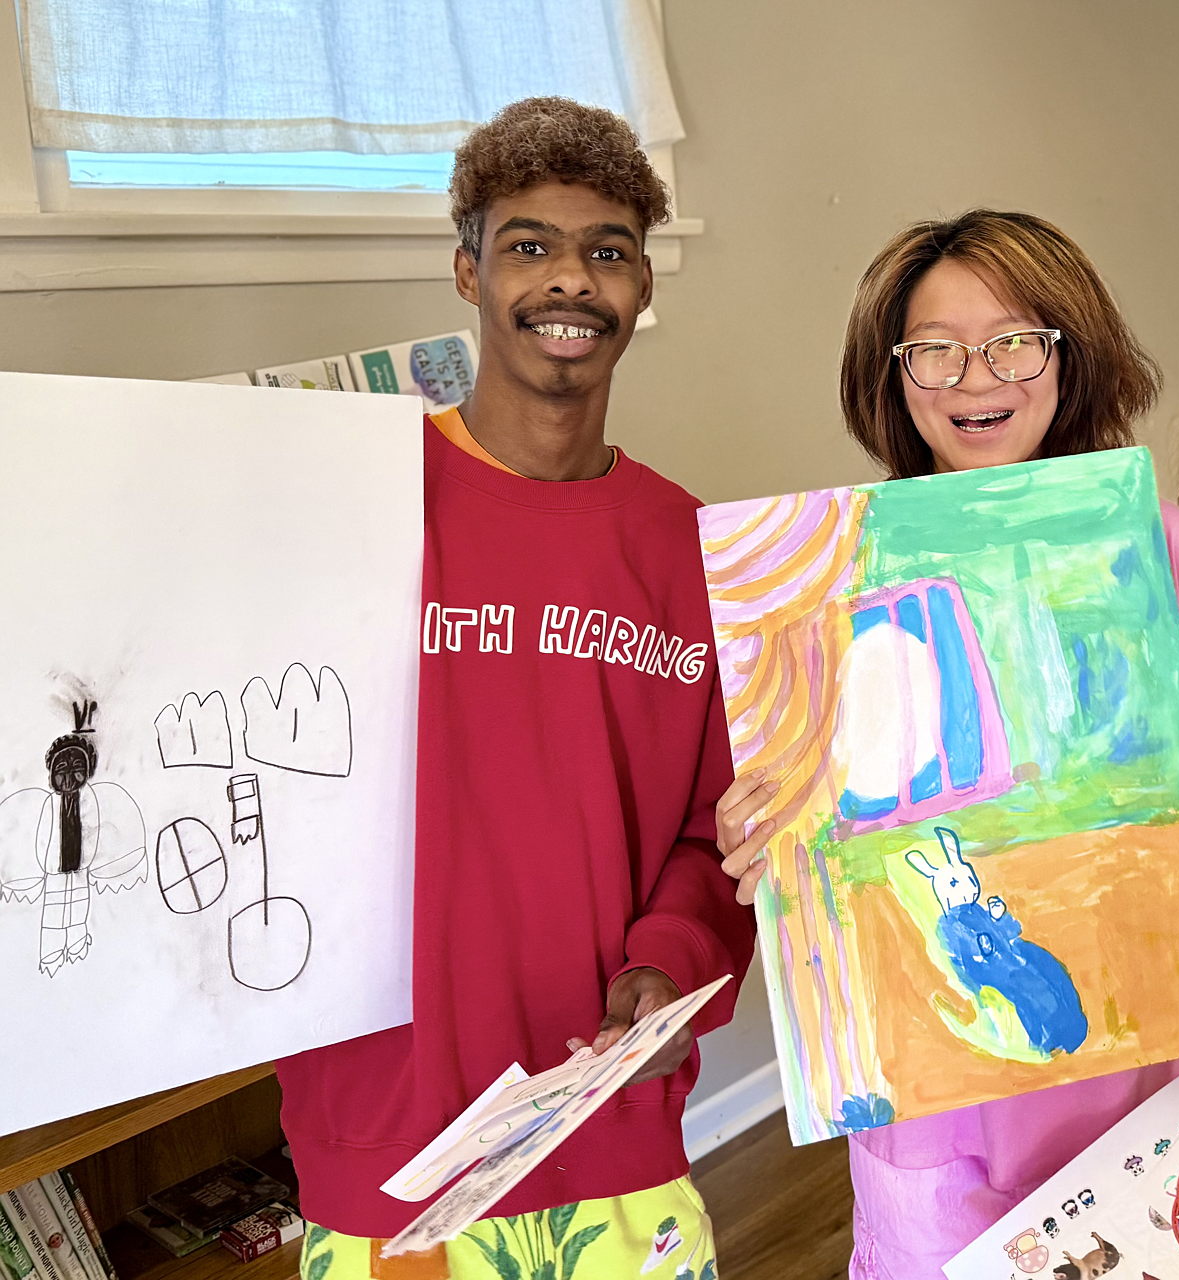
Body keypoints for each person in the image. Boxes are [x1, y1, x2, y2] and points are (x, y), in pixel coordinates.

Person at [715, 210, 1179, 1278]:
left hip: (1138, 1059)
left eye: (1015, 338)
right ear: (893, 375)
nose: (975, 374)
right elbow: (814, 818)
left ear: (1069, 356)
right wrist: (767, 834)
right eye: (934, 347)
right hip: (932, 1084)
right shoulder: (831, 569)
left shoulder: (1153, 546)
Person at [275, 97, 755, 1280]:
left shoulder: (692, 546)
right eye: (528, 245)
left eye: (606, 249)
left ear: (642, 282)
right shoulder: (347, 506)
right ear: (466, 270)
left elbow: (719, 822)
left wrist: (672, 951)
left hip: (610, 1129)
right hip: (388, 1133)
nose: (569, 282)